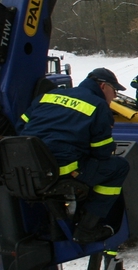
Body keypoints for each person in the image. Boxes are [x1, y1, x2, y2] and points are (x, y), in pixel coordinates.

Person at [18, 67, 129, 244]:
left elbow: (20, 126)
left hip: (27, 167)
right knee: (118, 167)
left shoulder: (48, 96)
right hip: (62, 170)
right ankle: (87, 228)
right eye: (114, 91)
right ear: (102, 86)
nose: (114, 96)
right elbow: (102, 152)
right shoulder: (98, 106)